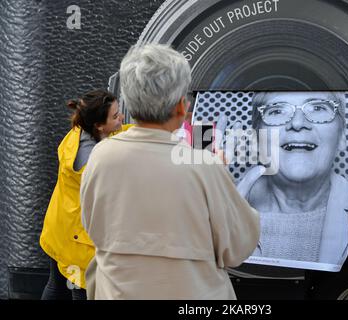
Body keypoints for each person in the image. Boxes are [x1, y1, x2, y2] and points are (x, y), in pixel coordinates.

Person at [80, 43, 260, 300]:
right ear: (180, 107)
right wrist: (221, 175)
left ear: (128, 102)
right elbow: (238, 248)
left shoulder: (101, 156)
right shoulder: (205, 167)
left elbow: (92, 226)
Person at [219, 91, 348, 271]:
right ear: (256, 139)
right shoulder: (215, 202)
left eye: (318, 108)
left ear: (342, 136)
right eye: (276, 111)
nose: (297, 123)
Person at [39, 89, 131, 300]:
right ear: (99, 125)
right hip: (77, 239)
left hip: (60, 225)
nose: (121, 118)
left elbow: (123, 131)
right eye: (116, 116)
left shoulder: (84, 128)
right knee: (82, 290)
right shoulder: (90, 163)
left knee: (57, 284)